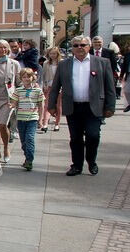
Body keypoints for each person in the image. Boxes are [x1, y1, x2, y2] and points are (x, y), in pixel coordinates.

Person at [48, 35, 116, 176]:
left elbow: (110, 87)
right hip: (73, 107)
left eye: (83, 45)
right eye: (76, 45)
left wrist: (110, 106)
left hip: (94, 107)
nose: (80, 48)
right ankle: (77, 165)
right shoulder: (64, 64)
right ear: (72, 48)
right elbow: (55, 86)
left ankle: (91, 161)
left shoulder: (102, 62)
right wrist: (52, 105)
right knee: (75, 138)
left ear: (89, 47)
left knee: (93, 135)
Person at [9, 68, 45, 171]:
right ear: (21, 78)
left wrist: (40, 119)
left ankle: (29, 160)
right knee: (23, 141)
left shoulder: (38, 90)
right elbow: (14, 102)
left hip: (32, 118)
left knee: (30, 139)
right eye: (24, 77)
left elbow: (41, 105)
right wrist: (11, 105)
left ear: (33, 77)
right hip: (21, 119)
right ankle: (27, 157)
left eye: (28, 77)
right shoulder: (18, 90)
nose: (26, 79)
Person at [39, 47, 63, 132]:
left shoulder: (61, 63)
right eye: (51, 53)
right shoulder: (46, 63)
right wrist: (44, 85)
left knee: (58, 106)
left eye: (54, 53)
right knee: (47, 105)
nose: (52, 55)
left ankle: (57, 123)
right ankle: (45, 123)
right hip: (49, 86)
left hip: (59, 87)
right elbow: (44, 75)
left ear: (58, 54)